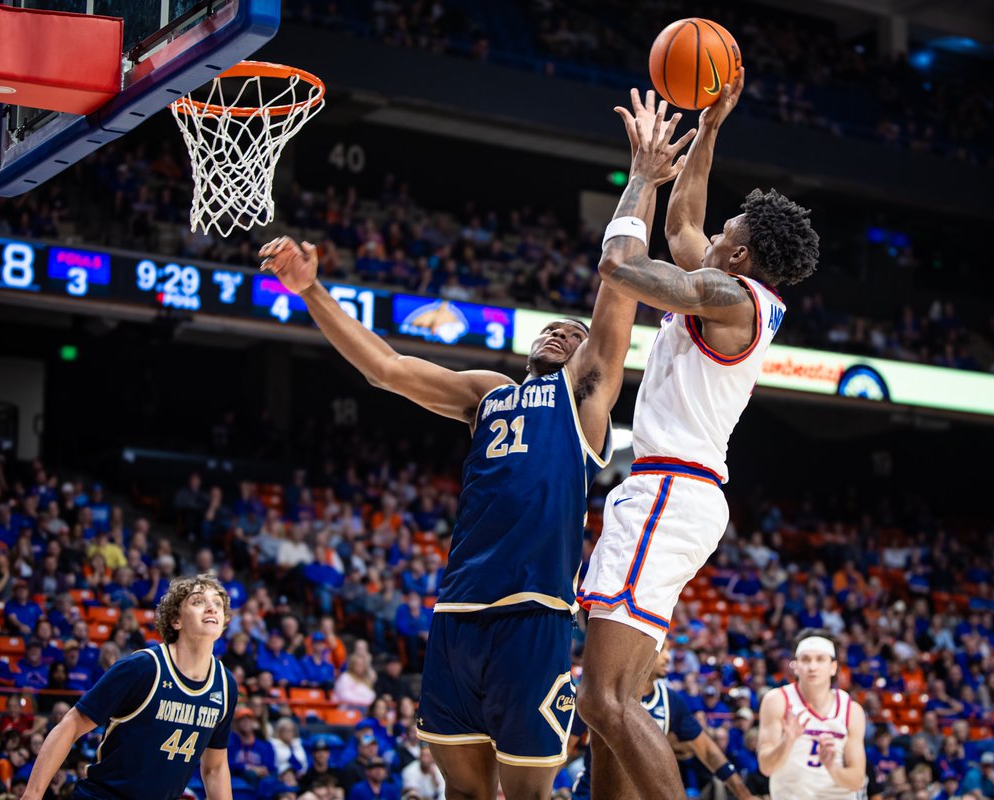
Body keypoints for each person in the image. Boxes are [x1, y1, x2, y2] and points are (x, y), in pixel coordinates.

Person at [257, 91, 679, 800]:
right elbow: (386, 369)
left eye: (573, 333)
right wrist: (313, 291)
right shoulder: (487, 393)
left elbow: (616, 292)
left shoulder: (583, 398)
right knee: (464, 794)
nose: (560, 331)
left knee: (528, 793)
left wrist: (641, 177)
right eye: (551, 327)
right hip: (457, 614)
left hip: (533, 615)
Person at [576, 80, 819, 800]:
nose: (707, 237)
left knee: (604, 700)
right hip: (678, 493)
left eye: (723, 235)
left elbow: (621, 268)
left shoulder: (729, 299)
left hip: (669, 490)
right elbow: (684, 222)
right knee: (611, 705)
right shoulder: (736, 290)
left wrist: (640, 180)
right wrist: (709, 129)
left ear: (738, 257)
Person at [20, 573, 237, 800]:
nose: (211, 608)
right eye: (198, 601)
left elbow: (215, 768)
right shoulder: (143, 668)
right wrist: (32, 795)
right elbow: (72, 724)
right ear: (176, 620)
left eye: (217, 604)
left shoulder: (225, 685)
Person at [570, 644, 760, 800]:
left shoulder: (670, 700)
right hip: (593, 792)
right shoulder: (604, 693)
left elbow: (708, 751)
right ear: (638, 651)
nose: (668, 657)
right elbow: (566, 746)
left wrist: (745, 795)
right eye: (662, 649)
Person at [757, 630, 867, 799]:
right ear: (795, 666)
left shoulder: (851, 710)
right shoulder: (778, 700)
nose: (812, 667)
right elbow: (766, 767)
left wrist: (832, 768)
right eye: (806, 659)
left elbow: (857, 781)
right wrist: (788, 741)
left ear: (833, 667)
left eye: (820, 659)